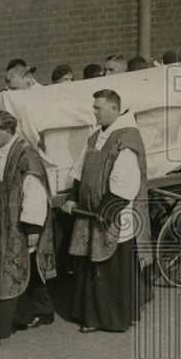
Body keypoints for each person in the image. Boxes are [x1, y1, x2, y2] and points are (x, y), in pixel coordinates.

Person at [63, 89, 153, 332]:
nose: (95, 113)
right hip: (91, 214)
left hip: (113, 214)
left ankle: (108, 318)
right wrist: (73, 198)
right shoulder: (95, 138)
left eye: (99, 109)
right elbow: (80, 171)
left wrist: (105, 212)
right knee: (90, 267)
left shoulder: (127, 139)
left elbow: (126, 183)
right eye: (94, 108)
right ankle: (90, 314)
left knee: (109, 269)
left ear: (115, 109)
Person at [0, 111, 57, 343]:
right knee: (22, 267)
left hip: (21, 223)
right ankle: (37, 311)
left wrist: (33, 230)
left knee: (16, 267)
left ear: (8, 130)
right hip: (3, 221)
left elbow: (34, 192)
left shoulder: (26, 156)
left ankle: (4, 325)